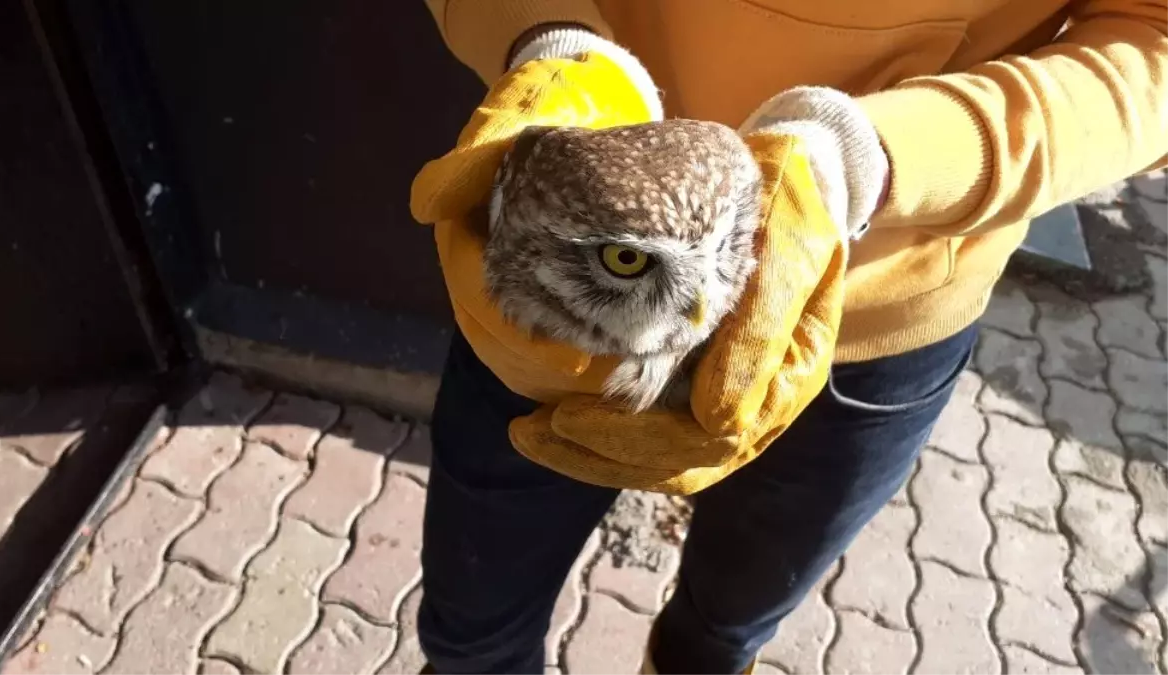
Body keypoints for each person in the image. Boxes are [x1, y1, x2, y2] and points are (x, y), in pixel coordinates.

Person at [414, 2, 1168, 673]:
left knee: (715, 640)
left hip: (868, 308)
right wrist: (545, 39)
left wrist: (871, 156)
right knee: (470, 634)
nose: (708, 304)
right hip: (560, 274)